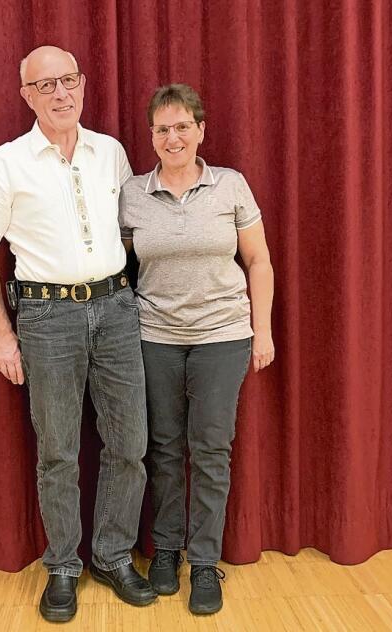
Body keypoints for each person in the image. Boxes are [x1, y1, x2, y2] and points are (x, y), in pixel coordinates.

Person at [0, 45, 156, 623]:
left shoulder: (110, 153)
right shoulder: (3, 164)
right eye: (46, 86)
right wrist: (0, 333)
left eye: (68, 81)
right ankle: (64, 566)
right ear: (26, 96)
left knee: (129, 445)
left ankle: (114, 556)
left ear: (84, 85)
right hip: (47, 319)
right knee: (57, 452)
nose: (61, 94)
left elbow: (129, 231)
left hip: (117, 309)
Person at [118, 84, 275, 615]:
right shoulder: (133, 194)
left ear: (201, 130)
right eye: (163, 128)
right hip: (154, 336)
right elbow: (116, 266)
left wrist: (264, 330)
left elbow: (259, 262)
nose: (173, 136)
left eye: (183, 125)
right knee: (162, 449)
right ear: (152, 137)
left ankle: (205, 561)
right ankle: (166, 550)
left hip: (223, 336)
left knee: (210, 450)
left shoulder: (230, 185)